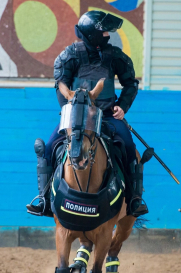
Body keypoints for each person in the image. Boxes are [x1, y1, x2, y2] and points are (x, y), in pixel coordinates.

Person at [26, 10, 148, 218]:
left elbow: (130, 84)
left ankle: (134, 199)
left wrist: (122, 106)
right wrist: (70, 110)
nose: (108, 35)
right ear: (93, 34)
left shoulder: (115, 56)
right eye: (105, 32)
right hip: (75, 117)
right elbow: (60, 85)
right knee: (48, 148)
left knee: (129, 147)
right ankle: (44, 199)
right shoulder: (70, 55)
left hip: (108, 116)